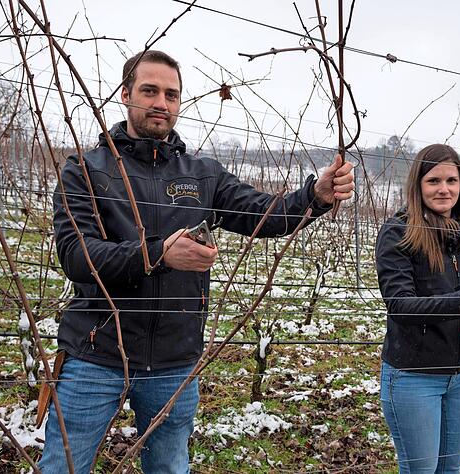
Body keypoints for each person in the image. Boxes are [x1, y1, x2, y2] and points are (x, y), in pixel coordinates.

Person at [40, 50, 354, 473]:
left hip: (173, 361)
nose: (161, 103)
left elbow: (261, 213)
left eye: (171, 95)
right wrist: (158, 254)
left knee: (170, 466)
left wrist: (314, 196)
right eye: (149, 91)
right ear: (125, 94)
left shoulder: (202, 174)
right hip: (96, 354)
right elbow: (77, 257)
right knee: (64, 466)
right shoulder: (86, 169)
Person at [375, 143, 460, 473]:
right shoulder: (398, 233)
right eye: (433, 181)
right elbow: (400, 305)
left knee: (449, 470)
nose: (444, 189)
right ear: (418, 185)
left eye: (452, 180)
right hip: (413, 376)